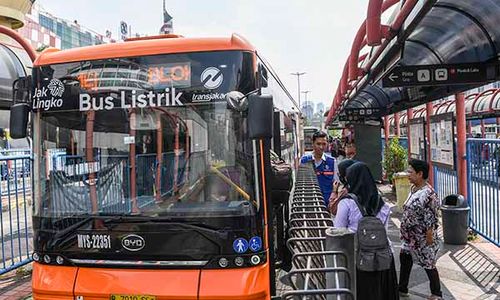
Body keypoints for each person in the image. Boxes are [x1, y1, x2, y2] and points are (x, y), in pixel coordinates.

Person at [334, 162, 399, 300]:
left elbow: (338, 232)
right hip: (384, 257)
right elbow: (384, 232)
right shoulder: (383, 204)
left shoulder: (346, 203)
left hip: (359, 259)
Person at [399, 159, 442, 299]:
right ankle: (402, 288)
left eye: (411, 172)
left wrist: (429, 239)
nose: (408, 174)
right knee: (405, 259)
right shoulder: (414, 189)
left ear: (420, 174)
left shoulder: (429, 193)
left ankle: (436, 293)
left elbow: (431, 218)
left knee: (428, 264)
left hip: (422, 238)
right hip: (409, 237)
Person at [300, 130, 339, 206]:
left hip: (327, 202)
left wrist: (334, 193)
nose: (321, 147)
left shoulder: (332, 161)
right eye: (318, 144)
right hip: (309, 202)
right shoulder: (304, 160)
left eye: (324, 144)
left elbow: (336, 181)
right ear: (313, 144)